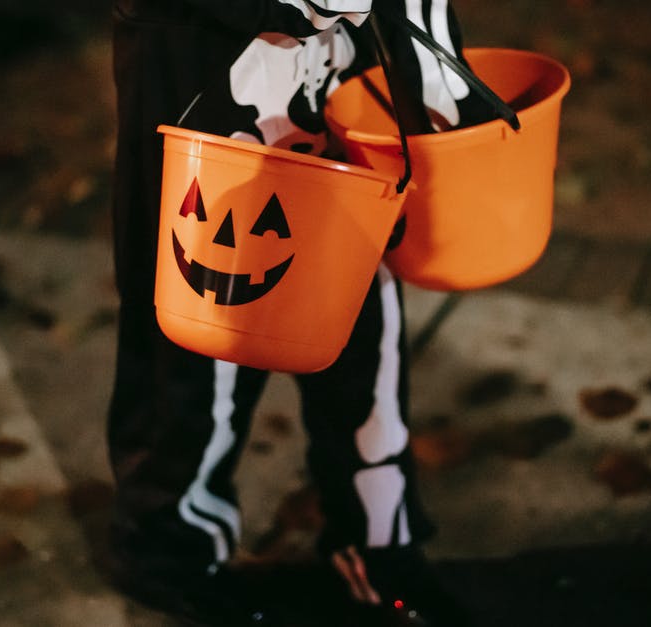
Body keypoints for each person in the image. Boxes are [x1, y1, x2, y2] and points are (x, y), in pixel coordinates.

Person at [106, 1, 491, 624]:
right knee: (200, 330)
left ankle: (376, 543)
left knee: (363, 314)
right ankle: (169, 551)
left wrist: (449, 103)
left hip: (334, 84)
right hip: (208, 81)